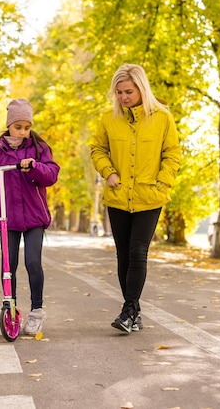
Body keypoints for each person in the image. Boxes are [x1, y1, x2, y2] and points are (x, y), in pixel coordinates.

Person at [89, 64, 181, 333]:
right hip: (118, 197)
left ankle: (129, 311)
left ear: (142, 88)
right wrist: (108, 172)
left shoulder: (163, 118)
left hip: (150, 196)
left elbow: (172, 154)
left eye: (128, 91)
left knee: (138, 251)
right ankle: (134, 312)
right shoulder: (109, 119)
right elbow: (97, 149)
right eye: (118, 92)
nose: (123, 97)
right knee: (123, 256)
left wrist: (162, 182)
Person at [0, 98, 60, 336]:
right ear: (9, 124)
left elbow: (51, 174)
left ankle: (37, 311)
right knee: (8, 265)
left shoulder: (39, 148)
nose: (22, 132)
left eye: (26, 127)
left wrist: (35, 166)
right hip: (7, 218)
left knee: (32, 262)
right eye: (18, 126)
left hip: (34, 217)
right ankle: (11, 306)